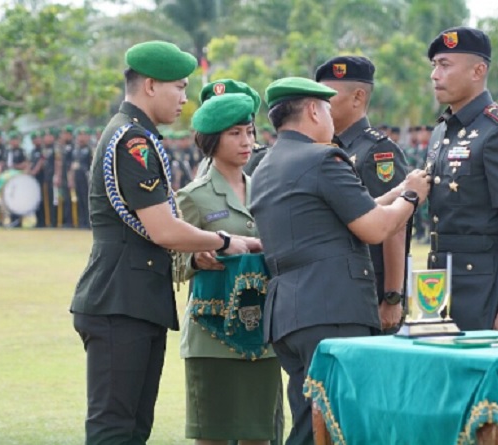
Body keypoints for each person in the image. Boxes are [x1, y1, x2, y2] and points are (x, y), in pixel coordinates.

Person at [70, 40, 257, 445]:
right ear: (150, 85)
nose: (185, 99)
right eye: (180, 87)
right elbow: (164, 229)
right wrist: (226, 241)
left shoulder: (137, 135)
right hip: (120, 299)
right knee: (114, 428)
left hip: (134, 299)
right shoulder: (131, 141)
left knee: (133, 427)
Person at [250, 76, 431, 445]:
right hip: (330, 309)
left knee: (309, 422)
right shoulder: (322, 157)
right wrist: (412, 197)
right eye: (328, 110)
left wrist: (396, 191)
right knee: (338, 425)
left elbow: (341, 215)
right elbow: (375, 228)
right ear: (314, 110)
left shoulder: (267, 165)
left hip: (291, 312)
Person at [175, 93, 280, 445]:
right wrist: (195, 258)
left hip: (262, 332)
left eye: (249, 132)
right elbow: (173, 261)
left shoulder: (266, 190)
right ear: (212, 139)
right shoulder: (194, 196)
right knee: (214, 436)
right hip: (213, 332)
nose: (247, 142)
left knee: (259, 436)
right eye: (235, 133)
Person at [425, 26, 498, 332]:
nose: (435, 75)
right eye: (434, 65)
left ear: (478, 70)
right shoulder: (442, 131)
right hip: (439, 286)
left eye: (445, 65)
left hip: (486, 292)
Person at [315, 55, 410, 331]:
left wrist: (392, 296)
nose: (320, 107)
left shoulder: (378, 152)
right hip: (339, 282)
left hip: (372, 286)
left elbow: (395, 223)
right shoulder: (330, 147)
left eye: (327, 98)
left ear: (357, 97)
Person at [71, 126, 93, 229]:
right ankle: (81, 222)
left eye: (84, 135)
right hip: (77, 177)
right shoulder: (75, 150)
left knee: (86, 199)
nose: (81, 138)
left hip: (86, 177)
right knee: (79, 199)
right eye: (80, 135)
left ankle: (89, 222)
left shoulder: (90, 150)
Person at [7, 130, 28, 228]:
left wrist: (16, 166)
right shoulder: (8, 151)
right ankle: (12, 219)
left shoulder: (21, 151)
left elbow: (26, 164)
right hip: (9, 178)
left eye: (15, 139)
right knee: (10, 199)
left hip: (18, 178)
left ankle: (18, 220)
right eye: (11, 140)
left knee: (18, 199)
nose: (13, 142)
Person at [57, 125, 77, 228]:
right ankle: (66, 221)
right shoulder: (63, 147)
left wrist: (71, 178)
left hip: (71, 177)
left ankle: (73, 222)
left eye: (65, 134)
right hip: (65, 176)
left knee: (72, 199)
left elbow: (72, 164)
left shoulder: (73, 147)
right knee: (65, 199)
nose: (63, 136)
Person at [28, 130, 48, 228]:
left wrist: (35, 170)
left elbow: (41, 161)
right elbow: (31, 163)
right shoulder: (32, 151)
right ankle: (38, 221)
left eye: (37, 138)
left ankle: (44, 221)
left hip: (42, 178)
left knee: (43, 200)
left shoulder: (43, 150)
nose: (36, 140)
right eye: (34, 139)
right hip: (34, 179)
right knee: (36, 200)